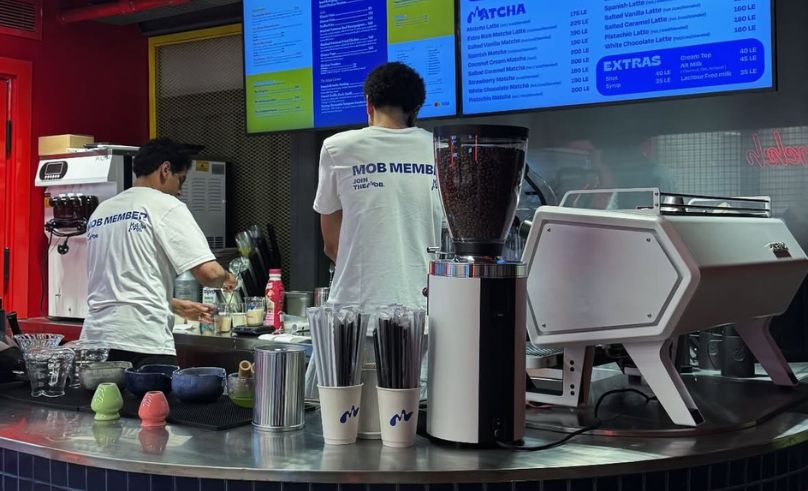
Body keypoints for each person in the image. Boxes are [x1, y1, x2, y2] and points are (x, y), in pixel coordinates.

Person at [80, 138, 237, 368]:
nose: (180, 191)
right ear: (165, 169)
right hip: (143, 345)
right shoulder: (165, 205)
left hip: (94, 343)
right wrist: (228, 278)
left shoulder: (101, 212)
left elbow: (120, 287)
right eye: (180, 180)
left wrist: (176, 306)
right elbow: (210, 274)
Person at [313, 61, 443, 310]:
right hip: (424, 306)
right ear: (415, 110)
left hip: (354, 308)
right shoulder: (441, 148)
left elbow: (331, 245)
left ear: (368, 104)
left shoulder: (337, 147)